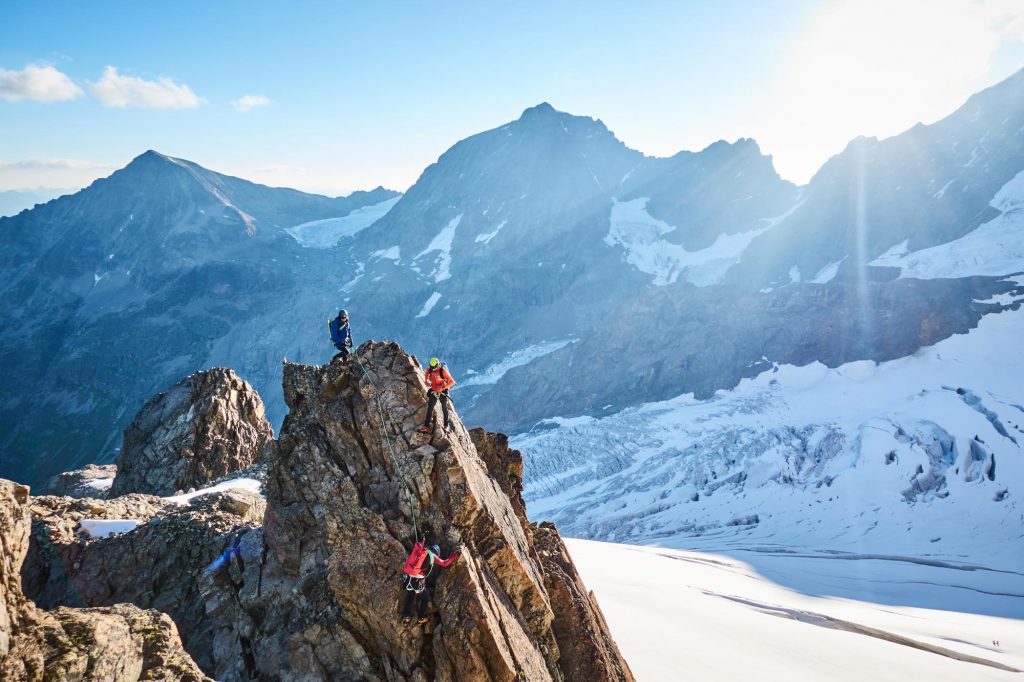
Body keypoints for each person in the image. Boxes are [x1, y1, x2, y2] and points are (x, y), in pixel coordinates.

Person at [401, 539, 460, 625]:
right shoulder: (433, 556)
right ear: (436, 552)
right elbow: (445, 563)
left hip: (409, 577)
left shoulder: (423, 551)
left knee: (410, 595)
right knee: (425, 597)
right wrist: (456, 554)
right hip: (417, 582)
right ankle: (421, 617)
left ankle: (406, 617)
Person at [419, 357, 456, 434]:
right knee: (430, 407)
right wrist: (426, 381)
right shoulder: (430, 369)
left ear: (438, 365)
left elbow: (452, 382)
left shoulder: (443, 371)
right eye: (432, 367)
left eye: (434, 367)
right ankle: (426, 426)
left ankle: (446, 425)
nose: (433, 369)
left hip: (443, 390)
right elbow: (427, 374)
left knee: (444, 407)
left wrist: (443, 387)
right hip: (434, 389)